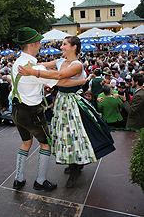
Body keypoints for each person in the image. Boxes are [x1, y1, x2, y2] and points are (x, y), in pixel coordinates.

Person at [19, 35, 115, 188]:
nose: (61, 47)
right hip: (61, 101)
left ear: (73, 47)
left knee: (73, 135)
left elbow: (59, 77)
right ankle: (74, 164)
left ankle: (75, 168)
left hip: (73, 103)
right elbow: (42, 64)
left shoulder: (77, 65)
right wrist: (24, 60)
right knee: (65, 134)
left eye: (64, 44)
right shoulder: (60, 61)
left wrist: (32, 72)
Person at [11, 27, 86, 191]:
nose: (40, 46)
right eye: (38, 43)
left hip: (16, 109)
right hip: (31, 112)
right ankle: (40, 181)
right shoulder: (34, 67)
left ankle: (19, 179)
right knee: (46, 144)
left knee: (25, 143)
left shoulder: (18, 62)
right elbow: (62, 82)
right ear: (32, 44)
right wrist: (81, 82)